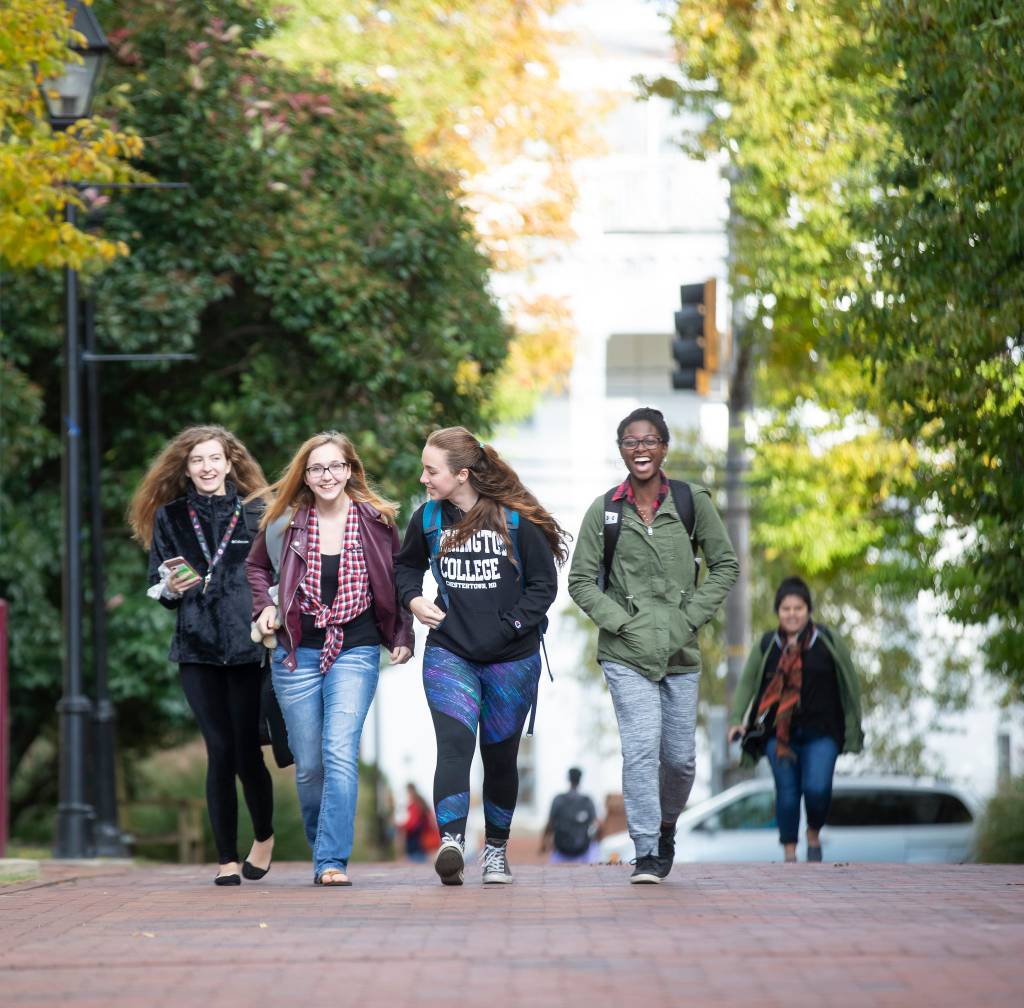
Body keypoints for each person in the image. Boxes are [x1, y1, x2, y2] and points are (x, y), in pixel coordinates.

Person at [568, 406, 738, 884]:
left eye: (648, 441)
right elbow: (580, 581)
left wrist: (688, 619)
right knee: (642, 748)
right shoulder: (604, 511)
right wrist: (621, 624)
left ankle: (666, 827)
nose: (639, 449)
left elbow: (725, 565)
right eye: (629, 442)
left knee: (680, 759)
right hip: (626, 654)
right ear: (620, 450)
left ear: (664, 448)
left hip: (681, 652)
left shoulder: (690, 501)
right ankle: (646, 851)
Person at [395, 426, 568, 886]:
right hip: (451, 651)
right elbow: (405, 566)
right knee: (453, 744)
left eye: (431, 471)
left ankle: (495, 850)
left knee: (499, 755)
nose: (423, 478)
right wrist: (413, 599)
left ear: (462, 474)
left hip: (512, 659)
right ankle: (451, 843)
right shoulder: (428, 520)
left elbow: (543, 587)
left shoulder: (515, 521)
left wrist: (510, 626)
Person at [246, 432, 413, 886]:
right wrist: (263, 606)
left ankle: (331, 861)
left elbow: (399, 580)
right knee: (310, 764)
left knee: (339, 751)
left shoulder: (377, 521)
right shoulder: (284, 523)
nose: (327, 476)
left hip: (355, 645)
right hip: (295, 649)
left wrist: (401, 631)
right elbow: (257, 568)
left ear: (350, 470)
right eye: (317, 468)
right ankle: (325, 847)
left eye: (336, 467)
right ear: (305, 474)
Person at [129, 424, 274, 886]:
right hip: (196, 649)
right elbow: (159, 587)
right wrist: (170, 587)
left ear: (230, 463)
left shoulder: (256, 513)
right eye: (197, 460)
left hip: (249, 648)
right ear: (186, 468)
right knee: (220, 750)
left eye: (215, 458)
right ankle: (226, 858)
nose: (207, 467)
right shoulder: (171, 518)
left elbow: (274, 575)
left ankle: (265, 836)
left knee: (249, 752)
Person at [728, 576, 864, 863]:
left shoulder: (826, 640)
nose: (792, 614)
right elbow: (747, 683)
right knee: (787, 794)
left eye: (798, 608)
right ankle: (790, 856)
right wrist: (737, 719)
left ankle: (813, 833)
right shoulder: (768, 644)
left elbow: (849, 684)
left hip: (823, 732)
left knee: (817, 789)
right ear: (778, 612)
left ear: (808, 610)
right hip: (779, 734)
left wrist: (854, 724)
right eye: (786, 608)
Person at [540, 767, 598, 864]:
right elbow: (596, 824)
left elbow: (550, 823)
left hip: (561, 850)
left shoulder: (558, 799)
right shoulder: (587, 801)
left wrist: (543, 842)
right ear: (580, 779)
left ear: (568, 779)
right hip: (582, 851)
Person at [400, 783, 440, 863]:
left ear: (410, 791)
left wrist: (401, 826)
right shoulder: (422, 803)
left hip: (417, 843)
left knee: (416, 863)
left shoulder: (415, 805)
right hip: (423, 843)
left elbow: (412, 823)